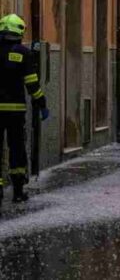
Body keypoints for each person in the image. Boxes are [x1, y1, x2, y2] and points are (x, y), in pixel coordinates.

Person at [0, 14, 49, 207]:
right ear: (20, 31)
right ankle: (18, 191)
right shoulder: (24, 53)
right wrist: (41, 102)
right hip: (15, 111)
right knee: (17, 149)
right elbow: (32, 83)